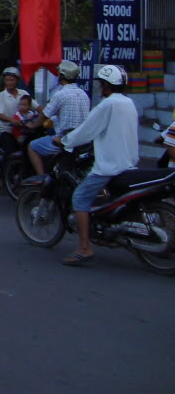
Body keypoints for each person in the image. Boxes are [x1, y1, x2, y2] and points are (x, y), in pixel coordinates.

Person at [58, 65, 139, 267]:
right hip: (129, 162)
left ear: (105, 85)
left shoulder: (107, 105)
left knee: (80, 197)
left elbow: (87, 130)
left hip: (110, 165)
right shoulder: (129, 103)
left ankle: (84, 247)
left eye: (101, 84)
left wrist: (65, 140)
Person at [26, 59, 91, 176]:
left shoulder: (60, 94)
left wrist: (33, 125)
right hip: (82, 139)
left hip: (66, 139)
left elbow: (44, 116)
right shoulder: (84, 94)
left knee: (32, 146)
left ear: (62, 76)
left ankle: (41, 178)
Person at [0, 67, 38, 155]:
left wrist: (46, 114)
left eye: (12, 80)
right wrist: (12, 120)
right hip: (7, 130)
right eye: (7, 80)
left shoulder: (24, 93)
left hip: (25, 130)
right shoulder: (0, 96)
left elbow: (36, 107)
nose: (9, 83)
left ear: (17, 80)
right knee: (9, 154)